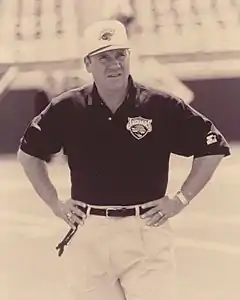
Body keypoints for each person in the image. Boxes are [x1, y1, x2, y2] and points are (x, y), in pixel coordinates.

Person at [18, 20, 230, 300]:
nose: (114, 64)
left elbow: (212, 146)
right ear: (87, 64)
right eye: (103, 57)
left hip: (147, 231)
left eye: (120, 54)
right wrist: (55, 203)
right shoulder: (67, 108)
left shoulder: (160, 105)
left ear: (130, 57)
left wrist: (180, 198)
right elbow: (28, 154)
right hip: (90, 232)